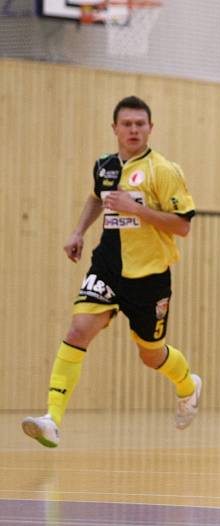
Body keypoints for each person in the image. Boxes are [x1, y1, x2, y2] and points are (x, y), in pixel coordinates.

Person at [21, 96, 202, 448]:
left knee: (151, 354)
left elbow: (182, 227)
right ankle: (52, 419)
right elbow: (96, 197)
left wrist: (139, 210)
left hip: (149, 275)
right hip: (108, 264)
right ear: (115, 128)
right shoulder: (104, 165)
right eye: (127, 124)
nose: (134, 129)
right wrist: (77, 232)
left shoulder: (164, 171)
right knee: (79, 328)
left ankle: (188, 385)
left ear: (151, 128)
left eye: (140, 124)